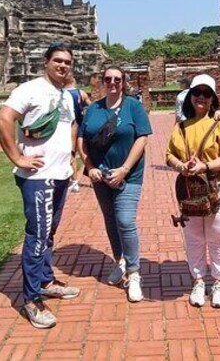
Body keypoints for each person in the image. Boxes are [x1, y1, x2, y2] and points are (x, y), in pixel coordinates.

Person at [0, 42, 80, 329]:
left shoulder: (66, 95)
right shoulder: (29, 89)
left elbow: (70, 125)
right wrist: (17, 157)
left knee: (49, 232)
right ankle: (31, 299)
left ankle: (44, 280)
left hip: (60, 173)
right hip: (37, 177)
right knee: (37, 235)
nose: (63, 66)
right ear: (46, 62)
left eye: (67, 62)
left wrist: (71, 154)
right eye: (58, 61)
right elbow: (3, 118)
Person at [80, 66, 152, 302]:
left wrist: (124, 169)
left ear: (124, 82)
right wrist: (89, 167)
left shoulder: (133, 106)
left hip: (128, 175)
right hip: (101, 176)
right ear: (102, 81)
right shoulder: (93, 109)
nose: (113, 83)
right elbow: (82, 140)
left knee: (124, 220)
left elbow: (141, 138)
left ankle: (134, 273)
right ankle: (120, 260)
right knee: (111, 220)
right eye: (108, 79)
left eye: (117, 79)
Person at [165, 74, 220, 308]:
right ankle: (198, 280)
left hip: (219, 185)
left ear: (213, 98)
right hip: (191, 187)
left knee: (218, 235)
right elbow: (169, 155)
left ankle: (218, 281)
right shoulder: (182, 127)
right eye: (197, 93)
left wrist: (204, 166)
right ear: (190, 96)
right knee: (194, 236)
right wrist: (181, 166)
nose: (201, 98)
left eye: (207, 94)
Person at [66, 73, 91, 192]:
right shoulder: (81, 93)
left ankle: (75, 180)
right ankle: (92, 178)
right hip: (81, 125)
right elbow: (91, 107)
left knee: (72, 154)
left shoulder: (62, 94)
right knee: (85, 151)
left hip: (67, 126)